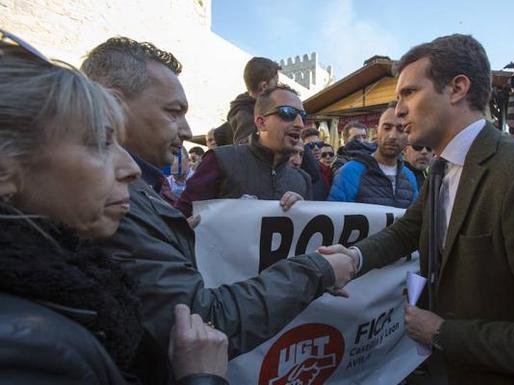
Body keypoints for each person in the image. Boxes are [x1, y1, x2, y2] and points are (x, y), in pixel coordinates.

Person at [319, 34, 514, 384]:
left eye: (409, 92)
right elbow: (407, 231)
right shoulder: (441, 167)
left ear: (457, 88)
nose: (398, 108)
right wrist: (353, 259)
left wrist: (442, 332)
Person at [81, 37, 356, 371]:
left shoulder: (301, 179)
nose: (186, 129)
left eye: (302, 115)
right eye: (172, 112)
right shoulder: (110, 197)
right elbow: (196, 318)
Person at [0, 31, 229, 384]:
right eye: (100, 142)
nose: (131, 169)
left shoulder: (73, 289)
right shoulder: (28, 350)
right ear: (6, 166)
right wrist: (200, 377)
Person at [176, 84, 313, 217]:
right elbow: (180, 220)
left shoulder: (302, 180)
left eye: (302, 116)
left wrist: (301, 214)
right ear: (261, 122)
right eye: (288, 112)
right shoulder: (221, 160)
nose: (299, 124)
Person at [328, 105, 419, 208]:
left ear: (408, 134)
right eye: (387, 128)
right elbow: (336, 218)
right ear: (377, 131)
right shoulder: (349, 172)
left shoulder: (409, 177)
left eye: (400, 129)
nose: (392, 135)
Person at [227, 57, 280, 144]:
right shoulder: (244, 113)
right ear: (264, 86)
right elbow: (244, 147)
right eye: (276, 83)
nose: (277, 88)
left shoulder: (255, 107)